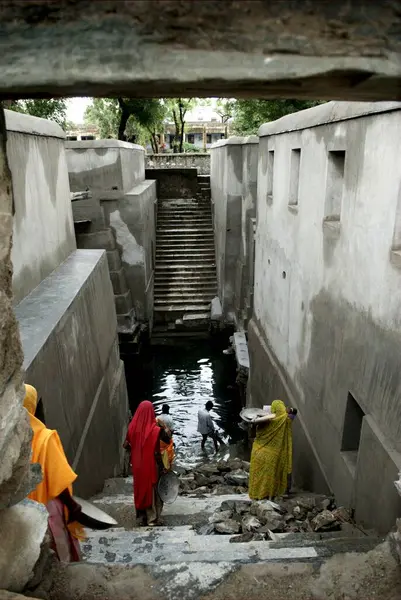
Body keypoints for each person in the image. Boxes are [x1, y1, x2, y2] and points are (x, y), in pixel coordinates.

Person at [23, 384, 84, 562]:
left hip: (25, 512)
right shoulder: (46, 437)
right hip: (48, 507)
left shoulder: (13, 439)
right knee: (61, 553)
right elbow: (59, 481)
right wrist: (73, 506)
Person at [124, 400, 171, 526]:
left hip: (137, 465)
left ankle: (141, 516)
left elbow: (126, 445)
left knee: (140, 488)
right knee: (153, 489)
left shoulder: (132, 428)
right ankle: (152, 518)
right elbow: (167, 440)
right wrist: (164, 426)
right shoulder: (156, 430)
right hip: (151, 464)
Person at [248, 399, 293, 501]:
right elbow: (294, 412)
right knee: (270, 477)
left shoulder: (263, 422)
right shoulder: (286, 419)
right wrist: (288, 410)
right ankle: (269, 495)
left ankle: (256, 495)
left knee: (258, 475)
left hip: (257, 451)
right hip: (273, 454)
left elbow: (252, 434)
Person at [156, 404, 175, 471]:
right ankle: (166, 466)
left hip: (159, 439)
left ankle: (161, 464)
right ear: (168, 410)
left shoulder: (158, 418)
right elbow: (172, 430)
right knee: (168, 453)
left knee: (161, 452)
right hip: (167, 439)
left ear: (162, 409)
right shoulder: (170, 418)